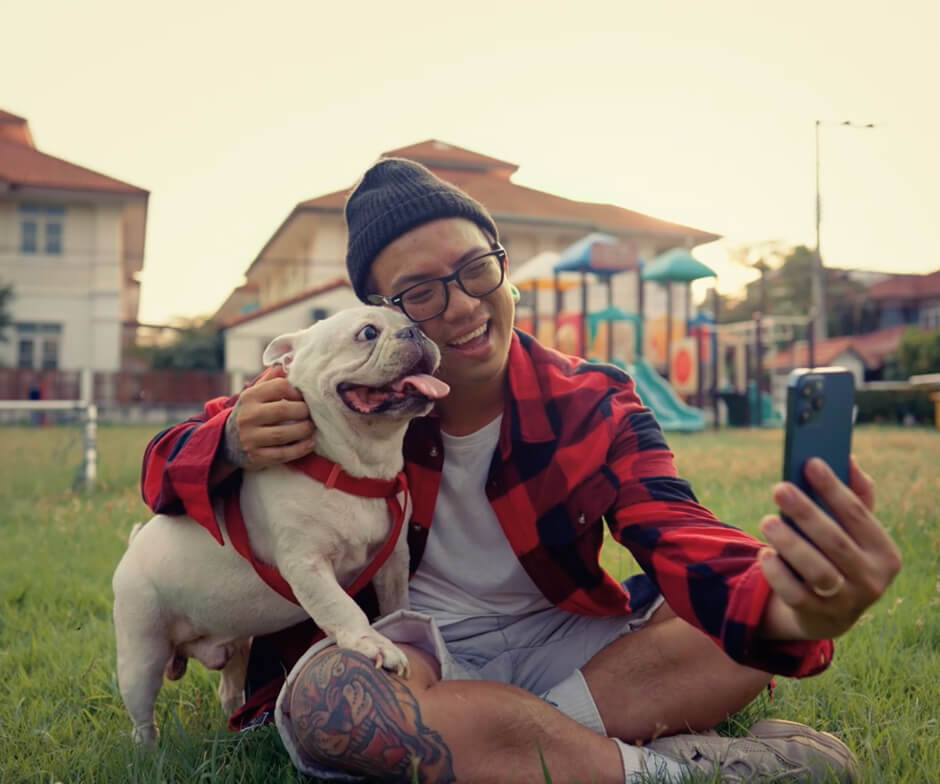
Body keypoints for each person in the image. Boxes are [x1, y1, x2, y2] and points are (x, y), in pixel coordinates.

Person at [141, 159, 901, 783]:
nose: (463, 306)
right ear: (384, 311)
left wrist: (799, 606)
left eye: (476, 270)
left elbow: (678, 531)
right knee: (332, 707)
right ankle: (674, 772)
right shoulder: (329, 393)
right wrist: (233, 442)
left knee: (732, 633)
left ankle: (500, 739)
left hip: (566, 641)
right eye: (420, 293)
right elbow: (162, 468)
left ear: (505, 272)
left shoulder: (592, 398)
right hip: (413, 650)